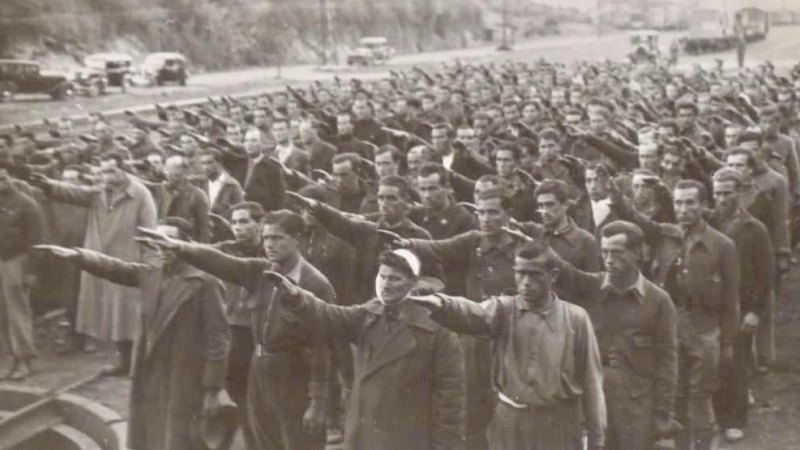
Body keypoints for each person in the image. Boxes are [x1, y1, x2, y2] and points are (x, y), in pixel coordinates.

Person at [139, 210, 334, 450]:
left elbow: (323, 349)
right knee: (261, 441)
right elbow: (220, 262)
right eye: (266, 238)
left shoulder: (316, 284)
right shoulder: (260, 272)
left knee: (299, 443)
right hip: (259, 371)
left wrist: (318, 401)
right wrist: (179, 247)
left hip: (294, 375)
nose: (269, 245)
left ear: (297, 238)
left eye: (277, 238)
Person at [410, 240, 606, 450]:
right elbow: (475, 312)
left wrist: (597, 440)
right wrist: (443, 304)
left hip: (558, 424)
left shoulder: (575, 318)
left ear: (554, 275)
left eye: (534, 274)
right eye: (520, 273)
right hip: (509, 422)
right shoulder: (504, 309)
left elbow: (592, 382)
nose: (525, 282)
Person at [275, 249, 466, 450]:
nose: (385, 284)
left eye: (395, 279)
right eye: (382, 276)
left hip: (406, 437)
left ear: (413, 283)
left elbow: (451, 399)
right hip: (363, 432)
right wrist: (299, 298)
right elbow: (331, 316)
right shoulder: (370, 313)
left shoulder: (437, 329)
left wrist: (446, 446)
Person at [609, 179, 740, 450]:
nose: (683, 209)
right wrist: (616, 196)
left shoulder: (722, 245)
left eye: (690, 202)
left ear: (704, 205)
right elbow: (637, 221)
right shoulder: (665, 234)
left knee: (700, 398)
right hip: (668, 328)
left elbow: (731, 299)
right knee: (674, 397)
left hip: (705, 330)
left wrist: (728, 343)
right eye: (679, 202)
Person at [551, 220, 680, 449]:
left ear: (637, 253)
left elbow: (667, 361)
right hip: (593, 400)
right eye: (605, 252)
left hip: (637, 405)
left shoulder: (658, 301)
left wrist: (663, 412)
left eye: (617, 253)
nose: (609, 260)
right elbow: (566, 273)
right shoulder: (593, 286)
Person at [30, 150, 158, 376]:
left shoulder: (140, 194)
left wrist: (149, 265)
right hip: (102, 262)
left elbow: (150, 232)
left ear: (123, 168)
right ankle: (124, 362)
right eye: (102, 172)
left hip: (128, 262)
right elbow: (74, 193)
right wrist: (48, 185)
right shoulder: (99, 192)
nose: (106, 177)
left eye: (111, 171)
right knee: (114, 316)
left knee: (130, 316)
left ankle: (140, 363)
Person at [708, 169, 775, 442]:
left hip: (740, 306)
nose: (722, 198)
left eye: (727, 193)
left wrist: (755, 312)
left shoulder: (754, 228)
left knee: (737, 363)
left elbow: (765, 274)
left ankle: (734, 420)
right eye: (718, 193)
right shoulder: (707, 222)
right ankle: (715, 413)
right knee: (713, 361)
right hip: (711, 305)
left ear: (739, 193)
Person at [0, 168, 44, 380]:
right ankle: (10, 359)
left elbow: (36, 241)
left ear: (9, 177)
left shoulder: (26, 204)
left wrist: (31, 271)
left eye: (3, 178)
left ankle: (24, 359)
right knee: (2, 315)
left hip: (16, 261)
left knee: (18, 312)